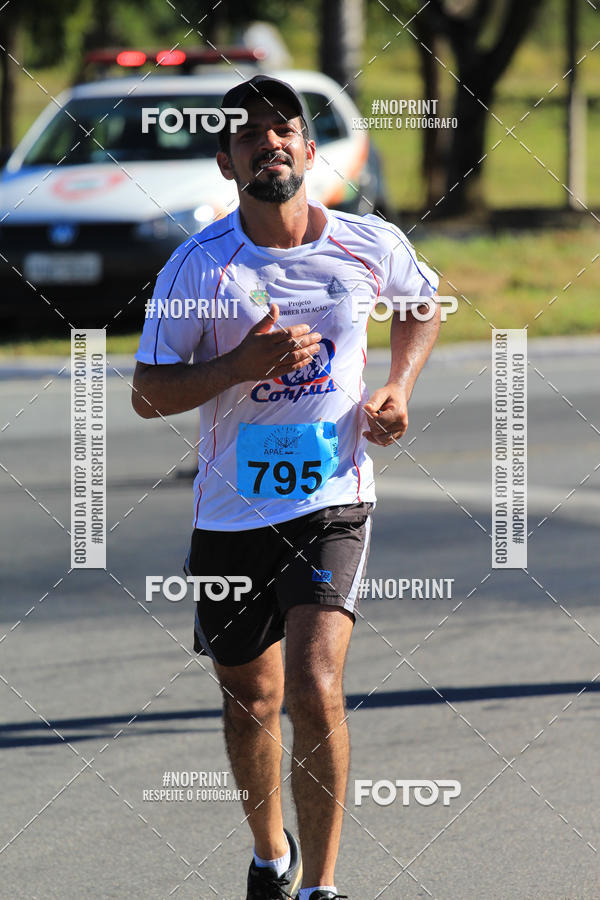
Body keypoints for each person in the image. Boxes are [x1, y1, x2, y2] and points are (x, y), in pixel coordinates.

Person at [132, 74, 440, 900]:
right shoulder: (199, 267)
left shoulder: (366, 244)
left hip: (331, 497)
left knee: (312, 681)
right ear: (227, 162)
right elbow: (146, 392)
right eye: (249, 135)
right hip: (231, 512)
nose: (268, 142)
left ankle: (323, 887)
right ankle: (271, 858)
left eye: (283, 129)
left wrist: (399, 389)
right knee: (251, 696)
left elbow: (422, 304)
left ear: (308, 149)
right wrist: (240, 366)